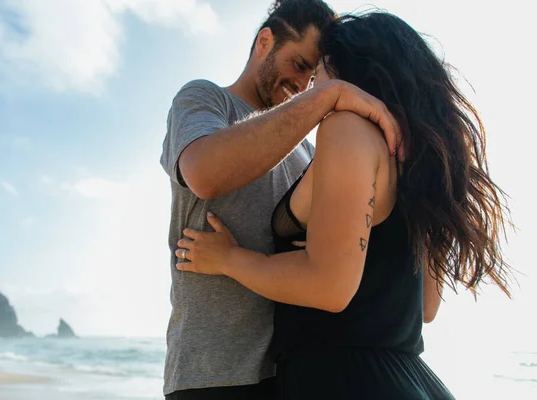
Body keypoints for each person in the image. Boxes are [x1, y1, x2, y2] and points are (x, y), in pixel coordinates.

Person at [175, 11, 514, 399]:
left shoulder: (344, 129)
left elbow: (331, 286)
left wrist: (231, 260)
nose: (310, 86)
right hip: (407, 376)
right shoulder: (420, 160)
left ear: (347, 70)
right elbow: (426, 307)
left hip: (342, 378)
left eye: (316, 71)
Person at [159, 1, 404, 399]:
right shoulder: (205, 99)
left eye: (315, 73)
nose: (307, 82)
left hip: (291, 370)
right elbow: (204, 173)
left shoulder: (309, 150)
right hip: (212, 371)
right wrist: (332, 95)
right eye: (299, 64)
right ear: (264, 41)